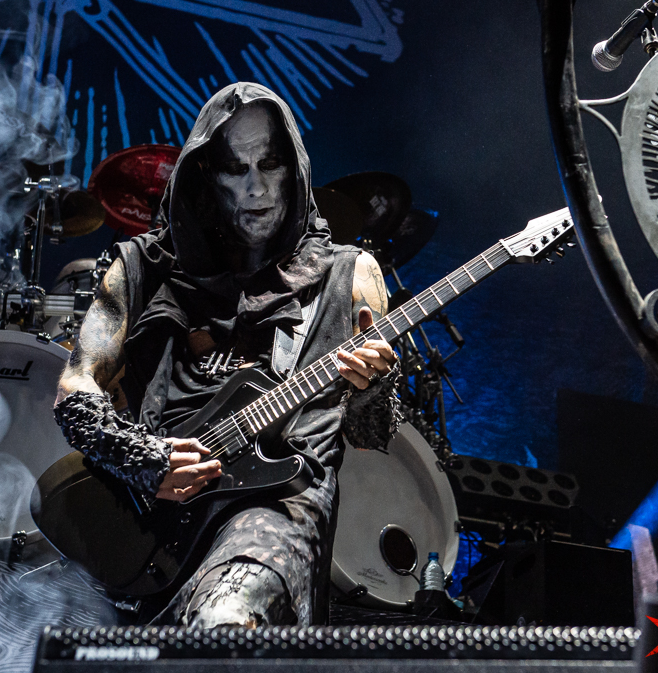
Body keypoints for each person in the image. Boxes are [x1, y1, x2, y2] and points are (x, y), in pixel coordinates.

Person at [52, 82, 402, 629]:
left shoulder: (349, 274)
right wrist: (143, 459)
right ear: (205, 175)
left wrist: (372, 386)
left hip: (274, 513)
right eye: (236, 169)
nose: (256, 187)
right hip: (147, 520)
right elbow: (75, 387)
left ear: (294, 168)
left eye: (270, 164)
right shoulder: (141, 266)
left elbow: (368, 434)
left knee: (226, 619)